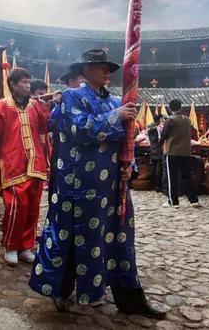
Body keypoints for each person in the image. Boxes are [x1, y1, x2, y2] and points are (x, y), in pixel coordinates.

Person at [29, 48, 165, 318]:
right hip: (78, 184)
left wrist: (130, 167)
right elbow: (82, 130)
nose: (106, 71)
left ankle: (130, 298)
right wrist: (116, 118)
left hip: (113, 185)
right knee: (72, 238)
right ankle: (61, 289)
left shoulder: (117, 101)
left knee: (119, 238)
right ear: (85, 71)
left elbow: (126, 141)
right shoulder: (70, 97)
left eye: (107, 67)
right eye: (100, 67)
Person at [0, 68, 49, 266]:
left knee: (33, 207)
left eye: (29, 82)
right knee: (15, 206)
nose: (28, 85)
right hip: (13, 162)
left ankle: (26, 246)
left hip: (35, 161)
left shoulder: (35, 105)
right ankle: (11, 245)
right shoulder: (3, 105)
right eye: (23, 82)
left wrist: (46, 109)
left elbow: (44, 128)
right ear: (12, 84)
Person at [160, 99, 201, 207]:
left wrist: (158, 144)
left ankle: (173, 201)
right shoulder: (187, 120)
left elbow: (164, 135)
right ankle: (194, 200)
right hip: (186, 152)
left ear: (170, 108)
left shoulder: (170, 120)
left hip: (172, 152)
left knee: (172, 177)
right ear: (180, 107)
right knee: (187, 177)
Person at [147, 117, 163, 191]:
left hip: (152, 149)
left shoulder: (149, 129)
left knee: (153, 168)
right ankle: (157, 186)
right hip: (158, 150)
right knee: (158, 169)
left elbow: (148, 140)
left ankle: (152, 185)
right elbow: (160, 139)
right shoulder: (158, 129)